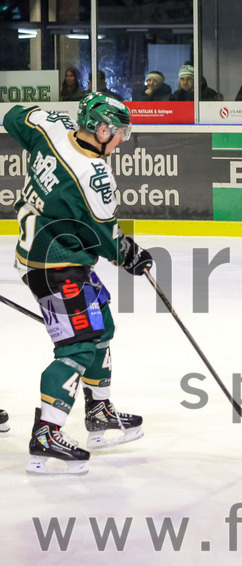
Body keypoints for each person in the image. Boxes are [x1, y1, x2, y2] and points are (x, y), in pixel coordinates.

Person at [4, 93, 154, 474]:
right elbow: (107, 239)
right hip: (55, 267)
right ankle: (46, 434)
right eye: (119, 133)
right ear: (101, 129)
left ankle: (99, 413)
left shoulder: (52, 129)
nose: (122, 140)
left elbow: (15, 117)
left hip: (54, 257)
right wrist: (131, 256)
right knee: (79, 345)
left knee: (103, 324)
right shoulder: (95, 177)